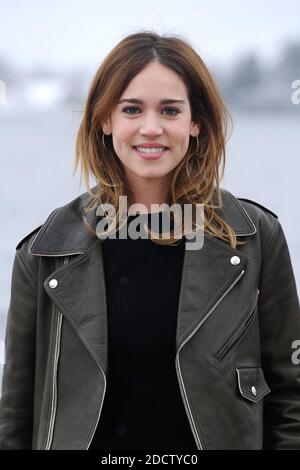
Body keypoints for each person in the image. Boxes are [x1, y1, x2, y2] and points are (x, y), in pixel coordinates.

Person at [0, 30, 299, 451]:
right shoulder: (45, 252)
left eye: (171, 110)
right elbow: (14, 417)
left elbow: (291, 396)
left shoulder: (256, 238)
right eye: (132, 109)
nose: (151, 128)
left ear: (196, 123)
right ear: (106, 120)